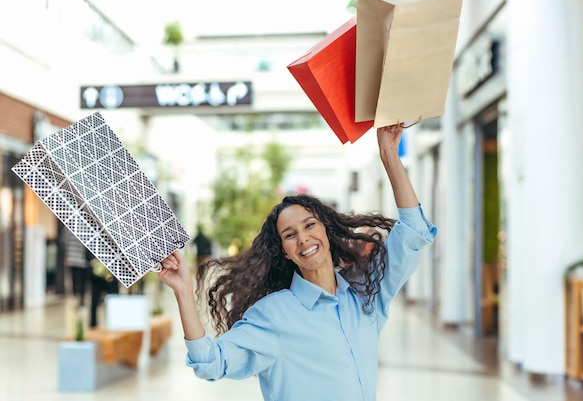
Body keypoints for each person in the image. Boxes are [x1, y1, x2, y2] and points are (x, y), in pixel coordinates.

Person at [158, 125, 437, 401]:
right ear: (286, 252)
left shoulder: (364, 295)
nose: (303, 238)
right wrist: (183, 289)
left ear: (326, 230)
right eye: (290, 235)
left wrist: (389, 153)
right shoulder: (273, 315)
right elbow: (209, 362)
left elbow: (413, 234)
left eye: (309, 225)